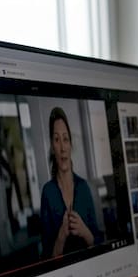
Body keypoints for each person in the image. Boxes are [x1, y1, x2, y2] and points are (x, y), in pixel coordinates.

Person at [39, 107, 102, 257]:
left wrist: (85, 231)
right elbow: (47, 258)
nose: (62, 147)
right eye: (56, 139)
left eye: (65, 139)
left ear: (70, 145)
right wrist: (61, 236)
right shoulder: (48, 192)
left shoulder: (84, 187)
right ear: (53, 148)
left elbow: (99, 243)